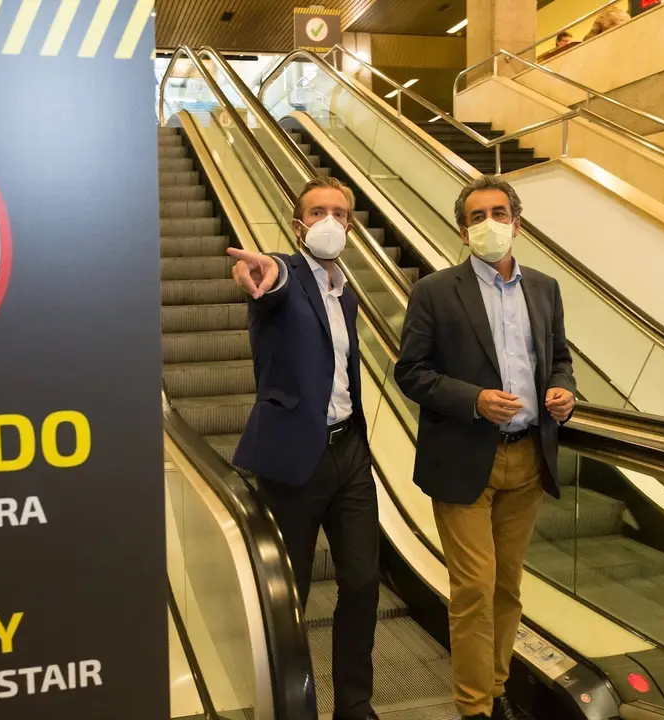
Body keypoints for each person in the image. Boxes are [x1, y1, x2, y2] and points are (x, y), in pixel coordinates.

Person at [393, 175, 576, 720]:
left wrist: (563, 390)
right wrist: (474, 399)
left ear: (517, 223)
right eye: (478, 216)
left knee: (507, 586)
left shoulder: (544, 288)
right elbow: (411, 373)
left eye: (500, 213)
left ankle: (495, 690)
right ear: (462, 228)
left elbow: (560, 356)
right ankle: (474, 708)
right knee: (474, 587)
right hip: (464, 458)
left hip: (527, 456)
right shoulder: (434, 291)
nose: (490, 223)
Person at [228, 177, 379, 720]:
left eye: (340, 212)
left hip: (351, 452)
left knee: (362, 581)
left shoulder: (348, 292)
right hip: (295, 458)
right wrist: (267, 275)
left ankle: (355, 704)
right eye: (318, 211)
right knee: (288, 592)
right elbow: (273, 281)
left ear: (352, 226)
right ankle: (295, 707)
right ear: (299, 224)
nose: (330, 220)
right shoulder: (285, 277)